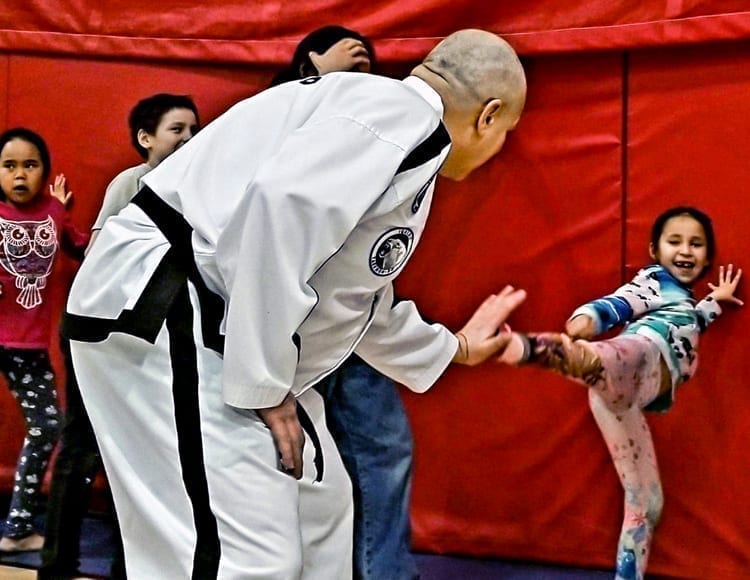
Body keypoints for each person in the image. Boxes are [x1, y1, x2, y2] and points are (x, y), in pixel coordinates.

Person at [63, 29, 527, 579]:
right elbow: (281, 209)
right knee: (244, 561)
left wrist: (453, 349)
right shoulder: (399, 117)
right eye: (507, 133)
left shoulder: (384, 123)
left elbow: (353, 296)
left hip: (209, 316)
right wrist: (264, 384)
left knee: (321, 512)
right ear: (488, 115)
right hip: (169, 306)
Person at [500, 207, 743, 580]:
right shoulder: (655, 281)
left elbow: (693, 321)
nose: (685, 251)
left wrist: (716, 301)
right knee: (615, 357)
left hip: (623, 399)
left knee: (647, 503)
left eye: (696, 244)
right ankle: (539, 350)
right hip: (637, 357)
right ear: (654, 250)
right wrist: (589, 318)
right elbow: (623, 301)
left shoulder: (682, 302)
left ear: (708, 257)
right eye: (674, 241)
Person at [273, 25, 418, 580]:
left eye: (369, 53)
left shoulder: (388, 129)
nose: (362, 47)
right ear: (307, 60)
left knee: (380, 453)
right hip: (290, 329)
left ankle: (382, 573)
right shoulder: (280, 114)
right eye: (341, 43)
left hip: (354, 324)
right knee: (296, 466)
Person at [39, 93, 199, 580]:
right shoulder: (129, 185)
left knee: (149, 455)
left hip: (161, 342)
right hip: (105, 339)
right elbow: (103, 269)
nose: (190, 138)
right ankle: (57, 564)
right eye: (178, 129)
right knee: (83, 445)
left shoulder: (206, 185)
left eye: (195, 129)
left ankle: (135, 567)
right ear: (145, 139)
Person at [0, 128, 89, 552]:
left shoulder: (53, 212)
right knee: (48, 424)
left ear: (44, 172)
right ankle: (18, 527)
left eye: (30, 165)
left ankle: (18, 527)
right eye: (9, 166)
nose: (20, 175)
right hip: (8, 340)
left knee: (47, 424)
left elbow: (81, 246)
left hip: (26, 346)